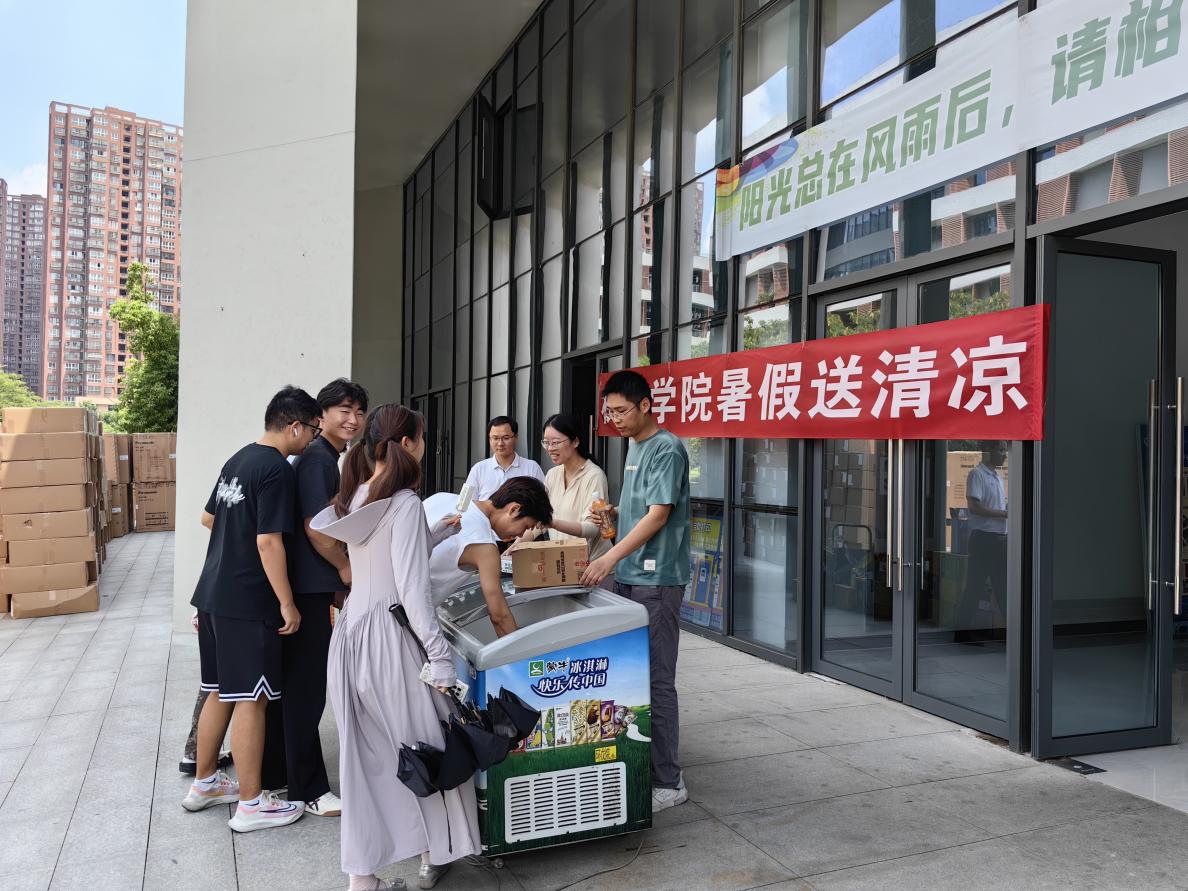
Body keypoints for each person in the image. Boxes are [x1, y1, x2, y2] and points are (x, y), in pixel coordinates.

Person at [311, 404, 480, 891]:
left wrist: (434, 533)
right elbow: (411, 590)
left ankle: (362, 879)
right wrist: (440, 657)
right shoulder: (403, 501)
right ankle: (434, 852)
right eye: (421, 437)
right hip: (390, 637)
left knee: (367, 760)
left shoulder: (359, 493)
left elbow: (383, 561)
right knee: (423, 746)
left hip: (351, 635)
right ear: (408, 444)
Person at [182, 385, 322, 833]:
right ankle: (251, 804)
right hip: (249, 602)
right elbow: (268, 542)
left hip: (213, 595)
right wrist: (287, 602)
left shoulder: (238, 459)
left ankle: (205, 782)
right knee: (252, 699)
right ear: (295, 426)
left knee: (219, 690)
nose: (313, 439)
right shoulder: (277, 470)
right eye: (313, 430)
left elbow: (209, 518)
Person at [580, 370, 690, 813]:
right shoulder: (635, 447)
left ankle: (669, 781)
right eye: (610, 412)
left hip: (656, 580)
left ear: (646, 405)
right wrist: (610, 519)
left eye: (622, 411)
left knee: (658, 680)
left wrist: (607, 559)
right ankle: (644, 766)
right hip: (630, 576)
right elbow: (637, 514)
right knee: (634, 677)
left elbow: (658, 516)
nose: (615, 419)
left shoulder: (667, 447)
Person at [267, 377, 369, 818]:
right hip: (308, 589)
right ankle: (307, 789)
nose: (353, 419)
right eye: (344, 410)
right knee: (306, 691)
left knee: (298, 687)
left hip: (309, 586)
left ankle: (281, 775)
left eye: (359, 412)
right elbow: (316, 528)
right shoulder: (318, 460)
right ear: (321, 416)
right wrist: (345, 567)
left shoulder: (325, 457)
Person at [422, 477, 554, 638]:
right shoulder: (485, 546)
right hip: (408, 619)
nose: (520, 535)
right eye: (526, 526)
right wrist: (523, 652)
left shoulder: (441, 497)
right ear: (514, 509)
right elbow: (500, 617)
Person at [539, 413, 612, 563]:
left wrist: (552, 523)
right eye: (546, 442)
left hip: (594, 565)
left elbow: (592, 528)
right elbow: (540, 520)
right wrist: (519, 543)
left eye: (556, 442)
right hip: (564, 564)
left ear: (575, 441)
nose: (550, 448)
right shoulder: (552, 474)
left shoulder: (594, 475)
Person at [961, 440, 1009, 642]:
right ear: (989, 451)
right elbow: (974, 507)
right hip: (984, 539)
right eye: (1001, 450)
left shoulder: (998, 477)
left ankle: (1013, 635)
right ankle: (962, 633)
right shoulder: (977, 474)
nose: (1005, 454)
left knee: (1003, 588)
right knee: (975, 587)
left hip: (999, 539)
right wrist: (1004, 514)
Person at [463, 416, 545, 500]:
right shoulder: (478, 469)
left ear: (516, 438)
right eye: (495, 438)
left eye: (506, 438)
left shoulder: (532, 468)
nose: (500, 443)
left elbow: (543, 502)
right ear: (490, 439)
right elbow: (464, 503)